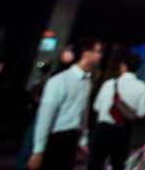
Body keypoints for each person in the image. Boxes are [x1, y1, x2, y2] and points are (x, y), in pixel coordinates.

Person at [29, 38, 103, 170]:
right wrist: (39, 149)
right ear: (86, 54)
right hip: (55, 139)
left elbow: (83, 112)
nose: (100, 55)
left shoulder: (87, 81)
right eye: (97, 51)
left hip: (71, 139)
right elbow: (45, 115)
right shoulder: (59, 80)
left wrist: (83, 139)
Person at [87, 52, 145, 170]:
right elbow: (142, 112)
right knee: (118, 163)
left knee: (95, 162)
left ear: (123, 66)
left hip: (103, 128)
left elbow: (97, 106)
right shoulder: (142, 87)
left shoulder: (110, 84)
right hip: (123, 129)